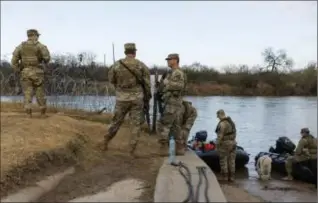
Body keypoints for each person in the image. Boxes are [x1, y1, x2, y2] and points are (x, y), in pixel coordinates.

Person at [104, 43, 151, 157]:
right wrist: (147, 97)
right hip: (137, 98)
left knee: (116, 121)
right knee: (135, 125)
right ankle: (131, 150)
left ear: (125, 52)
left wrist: (120, 89)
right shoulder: (141, 65)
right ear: (135, 52)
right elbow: (147, 84)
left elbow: (111, 80)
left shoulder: (117, 65)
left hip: (122, 98)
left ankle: (105, 142)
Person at [11, 29, 51, 117]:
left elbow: (13, 62)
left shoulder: (20, 47)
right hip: (38, 73)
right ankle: (42, 113)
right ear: (35, 35)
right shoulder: (40, 46)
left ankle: (28, 114)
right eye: (37, 36)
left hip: (25, 72)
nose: (38, 37)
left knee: (27, 93)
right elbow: (47, 59)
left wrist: (19, 70)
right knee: (40, 93)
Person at [157, 53, 186, 156]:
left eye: (170, 59)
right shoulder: (171, 72)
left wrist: (166, 83)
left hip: (172, 102)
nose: (168, 61)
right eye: (168, 59)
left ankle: (163, 149)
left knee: (163, 124)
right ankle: (180, 149)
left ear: (176, 60)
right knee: (175, 126)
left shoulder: (177, 72)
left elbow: (180, 86)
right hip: (172, 102)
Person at [215, 109, 237, 182]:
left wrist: (217, 145)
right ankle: (232, 177)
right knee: (232, 161)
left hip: (224, 144)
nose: (218, 117)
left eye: (218, 116)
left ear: (220, 115)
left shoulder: (222, 124)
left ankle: (224, 177)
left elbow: (219, 137)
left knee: (223, 160)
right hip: (233, 143)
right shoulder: (232, 122)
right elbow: (234, 134)